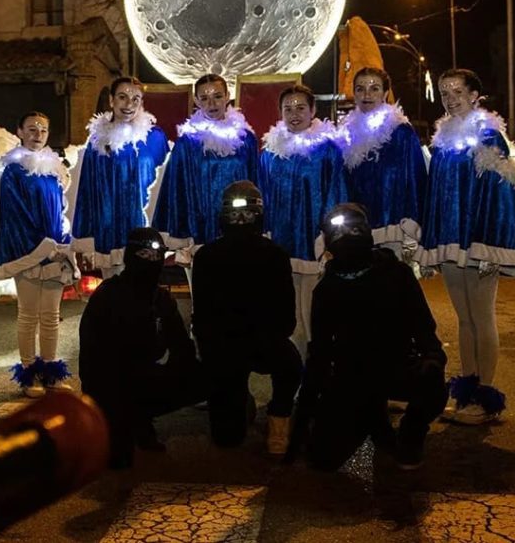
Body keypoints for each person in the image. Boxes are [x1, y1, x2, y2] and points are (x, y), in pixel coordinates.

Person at [418, 69, 515, 425]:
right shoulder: (443, 137)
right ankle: (466, 392)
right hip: (449, 241)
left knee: (482, 317)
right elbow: (437, 193)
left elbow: (499, 195)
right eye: (445, 92)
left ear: (475, 95)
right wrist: (430, 244)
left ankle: (486, 396)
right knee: (463, 320)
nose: (450, 98)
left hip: (478, 243)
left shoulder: (489, 134)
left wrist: (490, 248)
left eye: (457, 91)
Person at [287, 203, 448, 470]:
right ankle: (375, 423)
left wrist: (432, 361)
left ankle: (410, 435)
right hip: (352, 379)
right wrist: (301, 426)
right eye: (339, 233)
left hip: (396, 367)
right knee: (322, 460)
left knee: (431, 382)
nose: (347, 238)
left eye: (354, 229)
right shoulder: (327, 289)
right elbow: (319, 355)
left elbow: (423, 328)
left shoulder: (397, 274)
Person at [79, 227, 205, 468]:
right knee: (118, 460)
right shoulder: (108, 297)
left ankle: (139, 418)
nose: (152, 263)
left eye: (157, 257)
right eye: (145, 256)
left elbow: (181, 345)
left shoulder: (159, 299)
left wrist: (186, 371)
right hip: (108, 387)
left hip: (142, 377)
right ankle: (119, 426)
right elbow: (94, 363)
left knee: (209, 377)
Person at [191, 181, 302, 455]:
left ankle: (276, 417)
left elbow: (202, 317)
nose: (240, 220)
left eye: (246, 214)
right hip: (236, 346)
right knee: (227, 437)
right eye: (236, 214)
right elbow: (286, 316)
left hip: (237, 345)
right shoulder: (273, 254)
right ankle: (247, 404)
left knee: (289, 364)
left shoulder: (208, 256)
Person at [258, 83, 347, 359]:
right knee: (289, 314)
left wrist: (329, 238)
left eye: (300, 108)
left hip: (313, 244)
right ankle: (296, 374)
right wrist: (265, 233)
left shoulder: (328, 150)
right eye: (288, 108)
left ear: (313, 111)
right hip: (281, 245)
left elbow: (337, 194)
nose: (294, 114)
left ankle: (316, 374)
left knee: (313, 313)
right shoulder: (269, 152)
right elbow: (263, 196)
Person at [0, 112, 77, 397]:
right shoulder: (13, 170)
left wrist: (62, 245)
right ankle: (30, 372)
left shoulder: (54, 168)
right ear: (19, 131)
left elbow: (60, 210)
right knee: (28, 315)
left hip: (55, 251)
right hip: (28, 252)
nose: (37, 133)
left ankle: (51, 371)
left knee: (51, 316)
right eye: (31, 128)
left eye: (43, 129)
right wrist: (42, 248)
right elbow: (15, 215)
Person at [152, 74, 259, 277]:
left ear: (228, 96)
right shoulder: (188, 141)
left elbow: (256, 182)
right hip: (200, 229)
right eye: (204, 98)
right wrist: (183, 233)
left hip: (241, 227)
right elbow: (177, 188)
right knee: (204, 296)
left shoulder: (247, 139)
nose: (212, 103)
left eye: (217, 96)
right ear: (196, 101)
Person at [72, 77, 169, 278]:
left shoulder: (155, 137)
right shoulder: (98, 140)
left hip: (144, 228)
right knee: (115, 292)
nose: (129, 104)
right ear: (111, 100)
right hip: (110, 230)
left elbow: (165, 185)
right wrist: (85, 235)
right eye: (122, 97)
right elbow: (87, 189)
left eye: (135, 99)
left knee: (144, 292)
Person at [337, 68, 426, 259]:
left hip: (393, 229)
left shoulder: (401, 132)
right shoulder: (345, 134)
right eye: (360, 89)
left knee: (392, 285)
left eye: (374, 88)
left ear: (385, 94)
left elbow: (416, 180)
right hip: (357, 229)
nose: (367, 95)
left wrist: (412, 229)